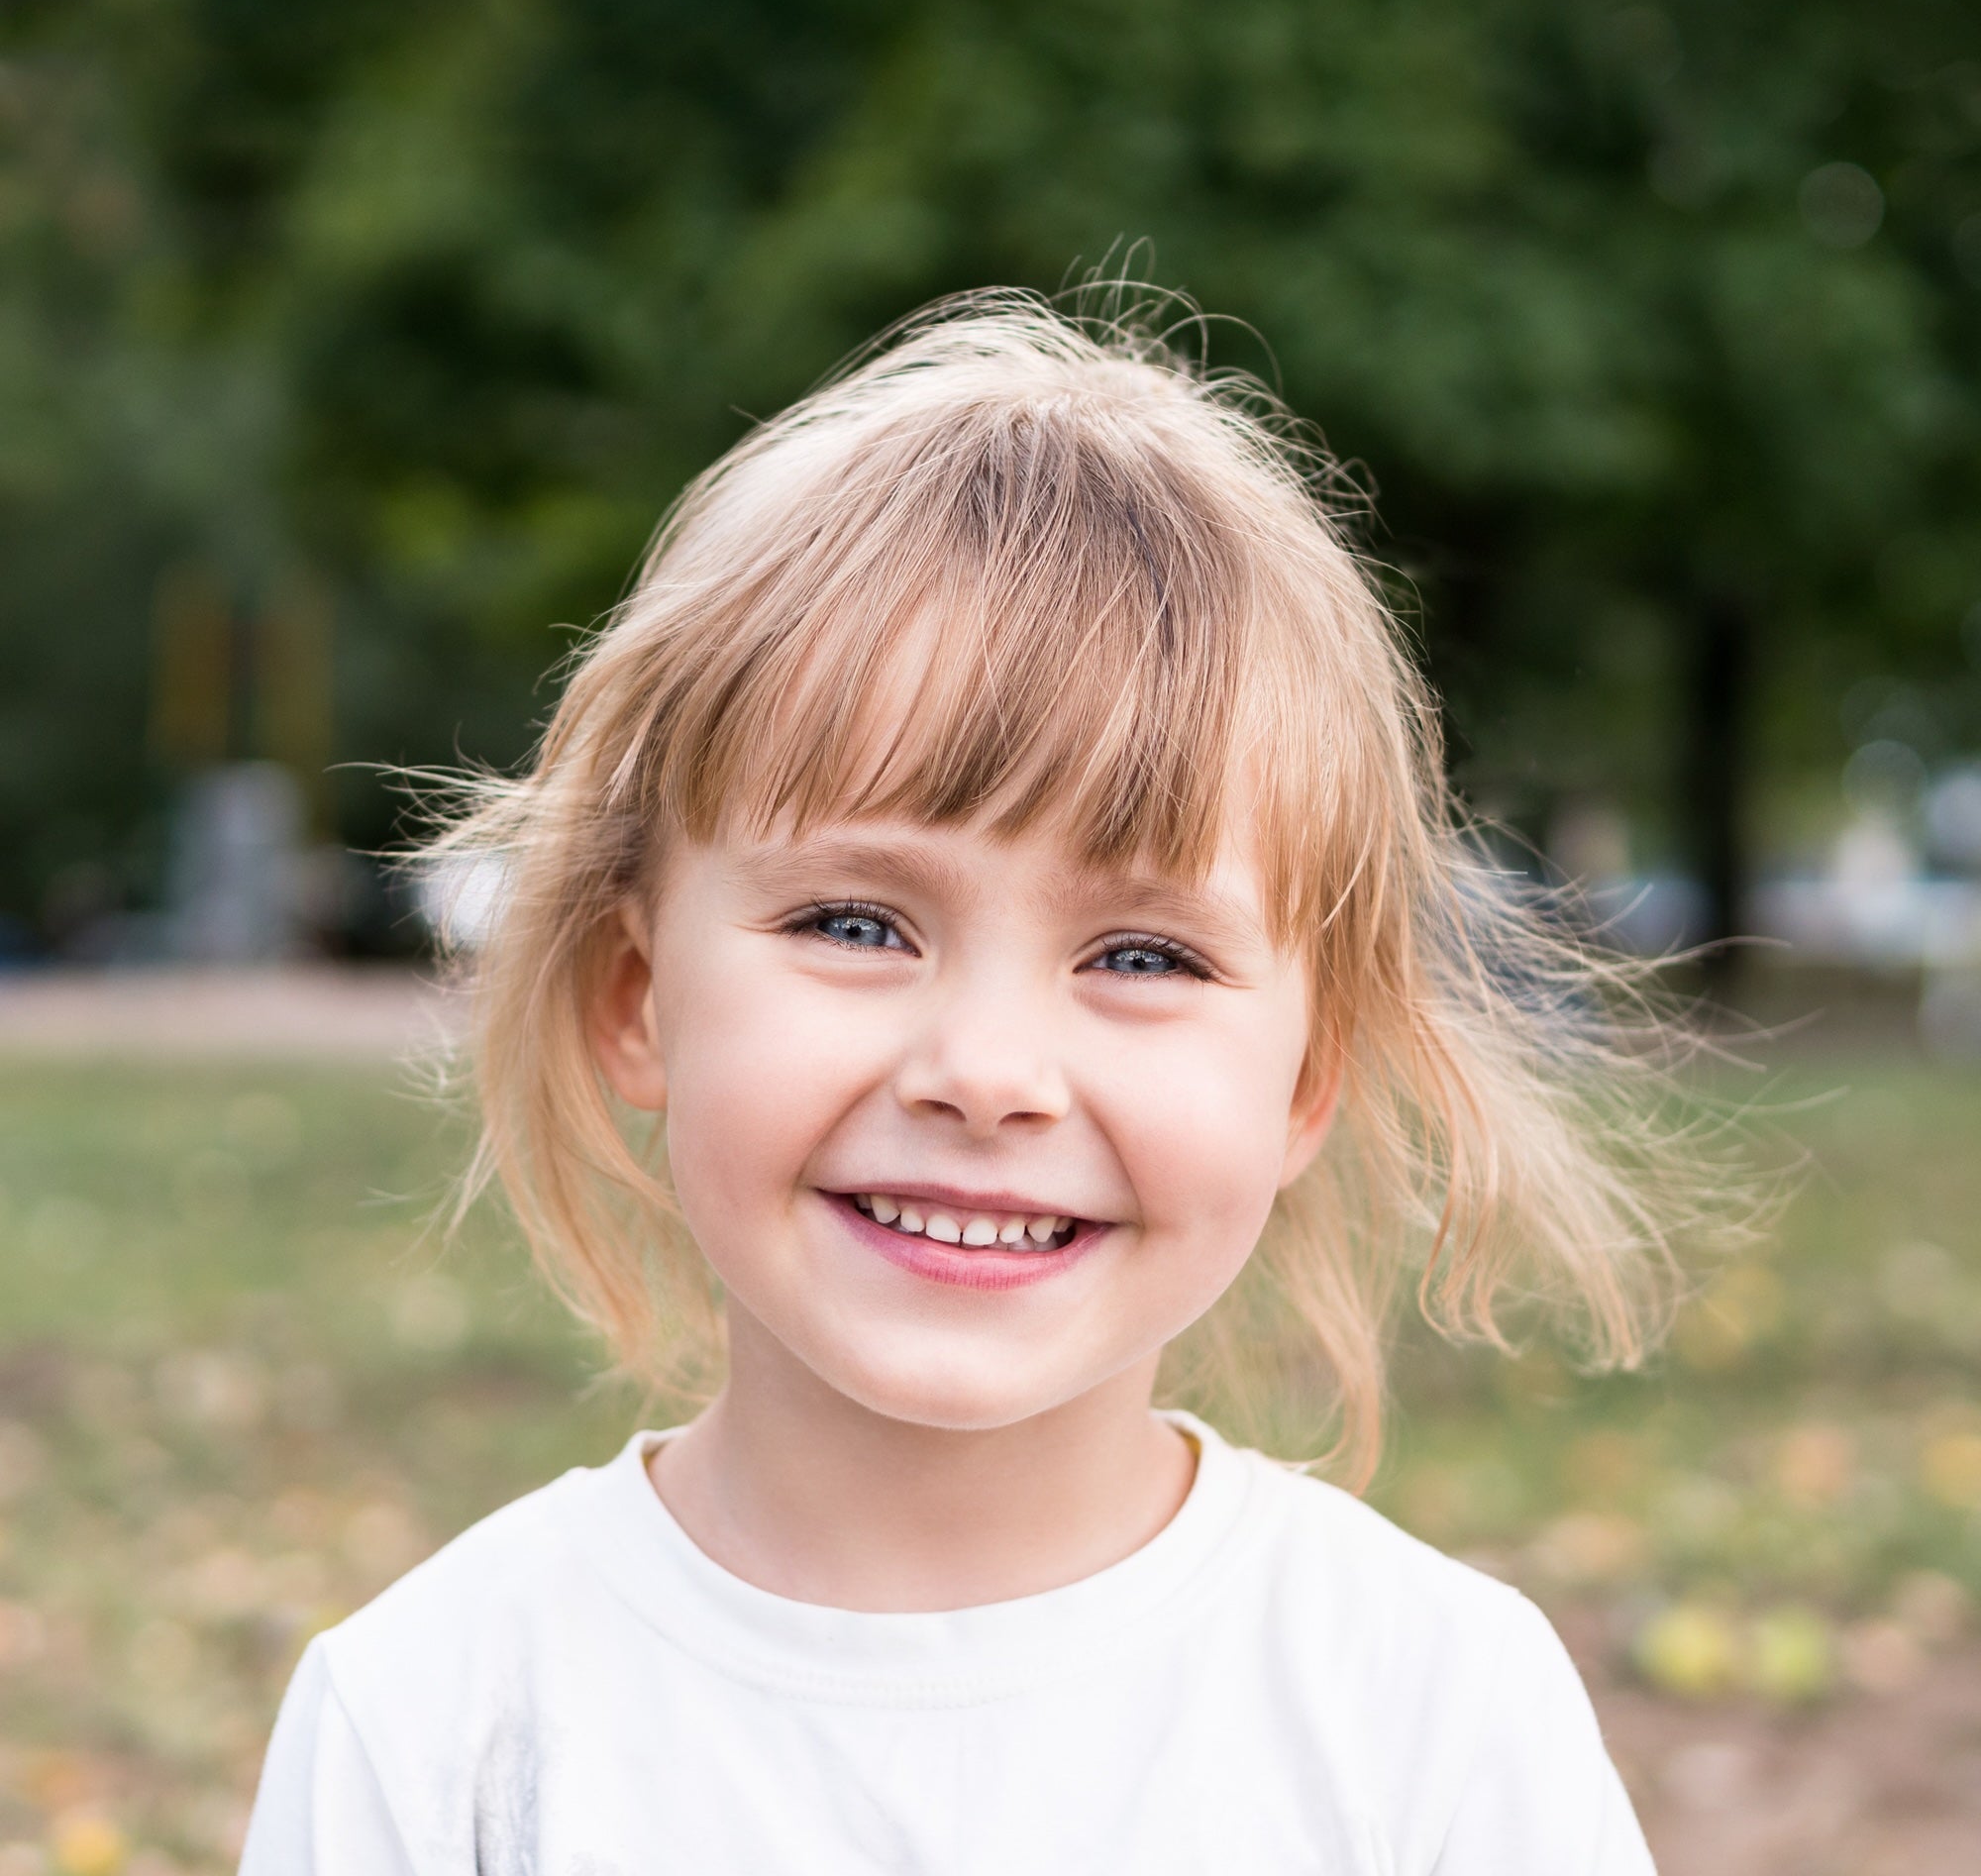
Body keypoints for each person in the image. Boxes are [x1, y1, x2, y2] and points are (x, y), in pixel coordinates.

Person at [242, 293, 1715, 1873]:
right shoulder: (436, 1730)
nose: (990, 1075)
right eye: (855, 924)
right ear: (636, 998)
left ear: (1305, 1082)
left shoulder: (1438, 1724)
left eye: (1142, 955)